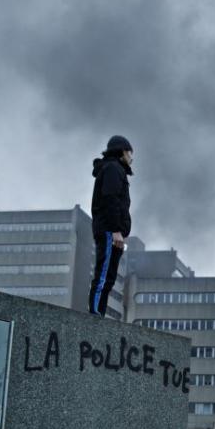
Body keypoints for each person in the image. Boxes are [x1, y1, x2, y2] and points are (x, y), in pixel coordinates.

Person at [88, 135, 134, 317]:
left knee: (109, 277)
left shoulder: (115, 170)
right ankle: (95, 312)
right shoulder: (113, 169)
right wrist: (116, 230)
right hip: (109, 230)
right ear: (122, 151)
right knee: (104, 274)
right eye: (130, 152)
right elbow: (111, 199)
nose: (132, 157)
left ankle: (98, 312)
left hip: (113, 232)